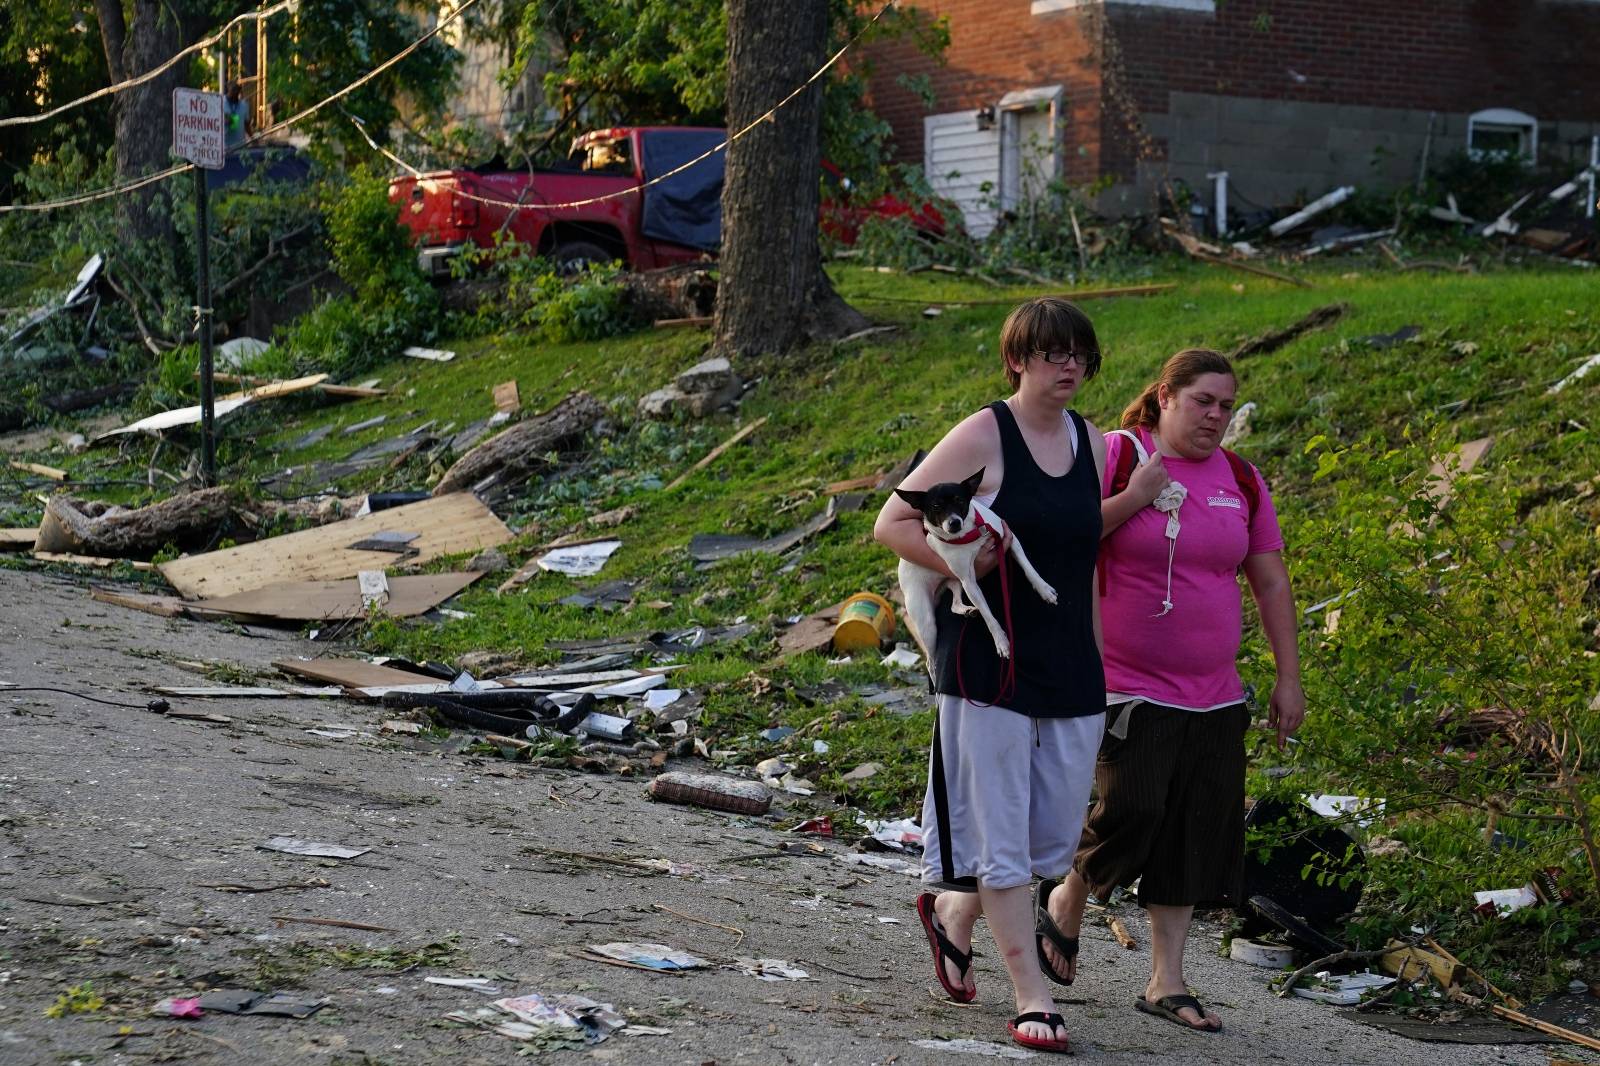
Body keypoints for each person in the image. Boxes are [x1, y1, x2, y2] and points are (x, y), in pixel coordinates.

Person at [1034, 348, 1306, 1033]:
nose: (1214, 415)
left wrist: (1288, 677)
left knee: (1195, 828)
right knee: (1133, 807)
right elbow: (1065, 538)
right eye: (1201, 401)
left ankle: (1167, 981)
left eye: (1224, 403)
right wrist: (1136, 498)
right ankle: (1069, 897)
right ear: (1164, 397)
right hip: (1126, 682)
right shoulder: (1118, 455)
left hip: (1214, 694)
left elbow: (1270, 581)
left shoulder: (1240, 479)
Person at [873, 297, 1108, 1055]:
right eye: (1050, 353)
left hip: (1072, 659)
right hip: (987, 663)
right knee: (1003, 831)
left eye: (1078, 354)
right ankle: (1031, 995)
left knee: (1051, 834)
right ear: (1018, 360)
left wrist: (1104, 656)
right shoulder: (985, 433)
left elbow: (1085, 559)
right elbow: (894, 524)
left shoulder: (1092, 442)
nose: (1066, 366)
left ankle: (954, 913)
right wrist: (967, 564)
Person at [224, 81, 252, 151]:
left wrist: (252, 137)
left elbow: (246, 124)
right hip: (224, 146)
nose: (235, 93)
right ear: (228, 90)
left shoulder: (244, 105)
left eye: (237, 91)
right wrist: (223, 121)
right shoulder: (220, 102)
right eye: (233, 90)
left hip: (240, 145)